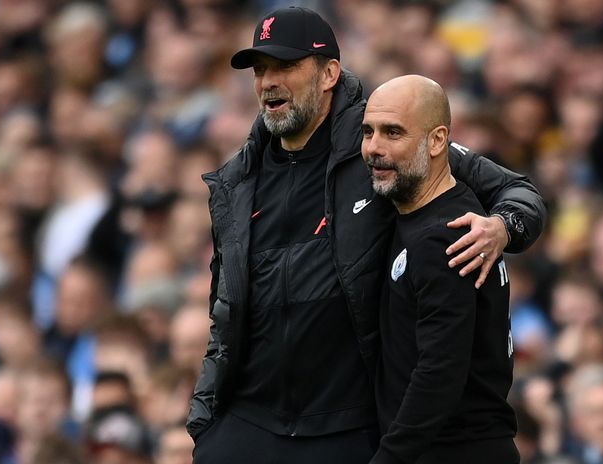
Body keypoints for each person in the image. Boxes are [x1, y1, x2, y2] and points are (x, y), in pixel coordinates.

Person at [187, 6, 546, 463]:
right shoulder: (237, 179)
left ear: (328, 74)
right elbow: (225, 307)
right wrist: (205, 421)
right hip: (250, 419)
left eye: (285, 66)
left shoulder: (384, 140)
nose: (268, 82)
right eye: (260, 70)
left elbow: (517, 190)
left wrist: (502, 226)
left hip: (347, 424)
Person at [362, 74, 518, 463]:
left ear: (436, 141)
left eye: (393, 132)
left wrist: (390, 457)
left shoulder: (445, 237)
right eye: (368, 132)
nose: (374, 148)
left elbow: (440, 371)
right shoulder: (431, 213)